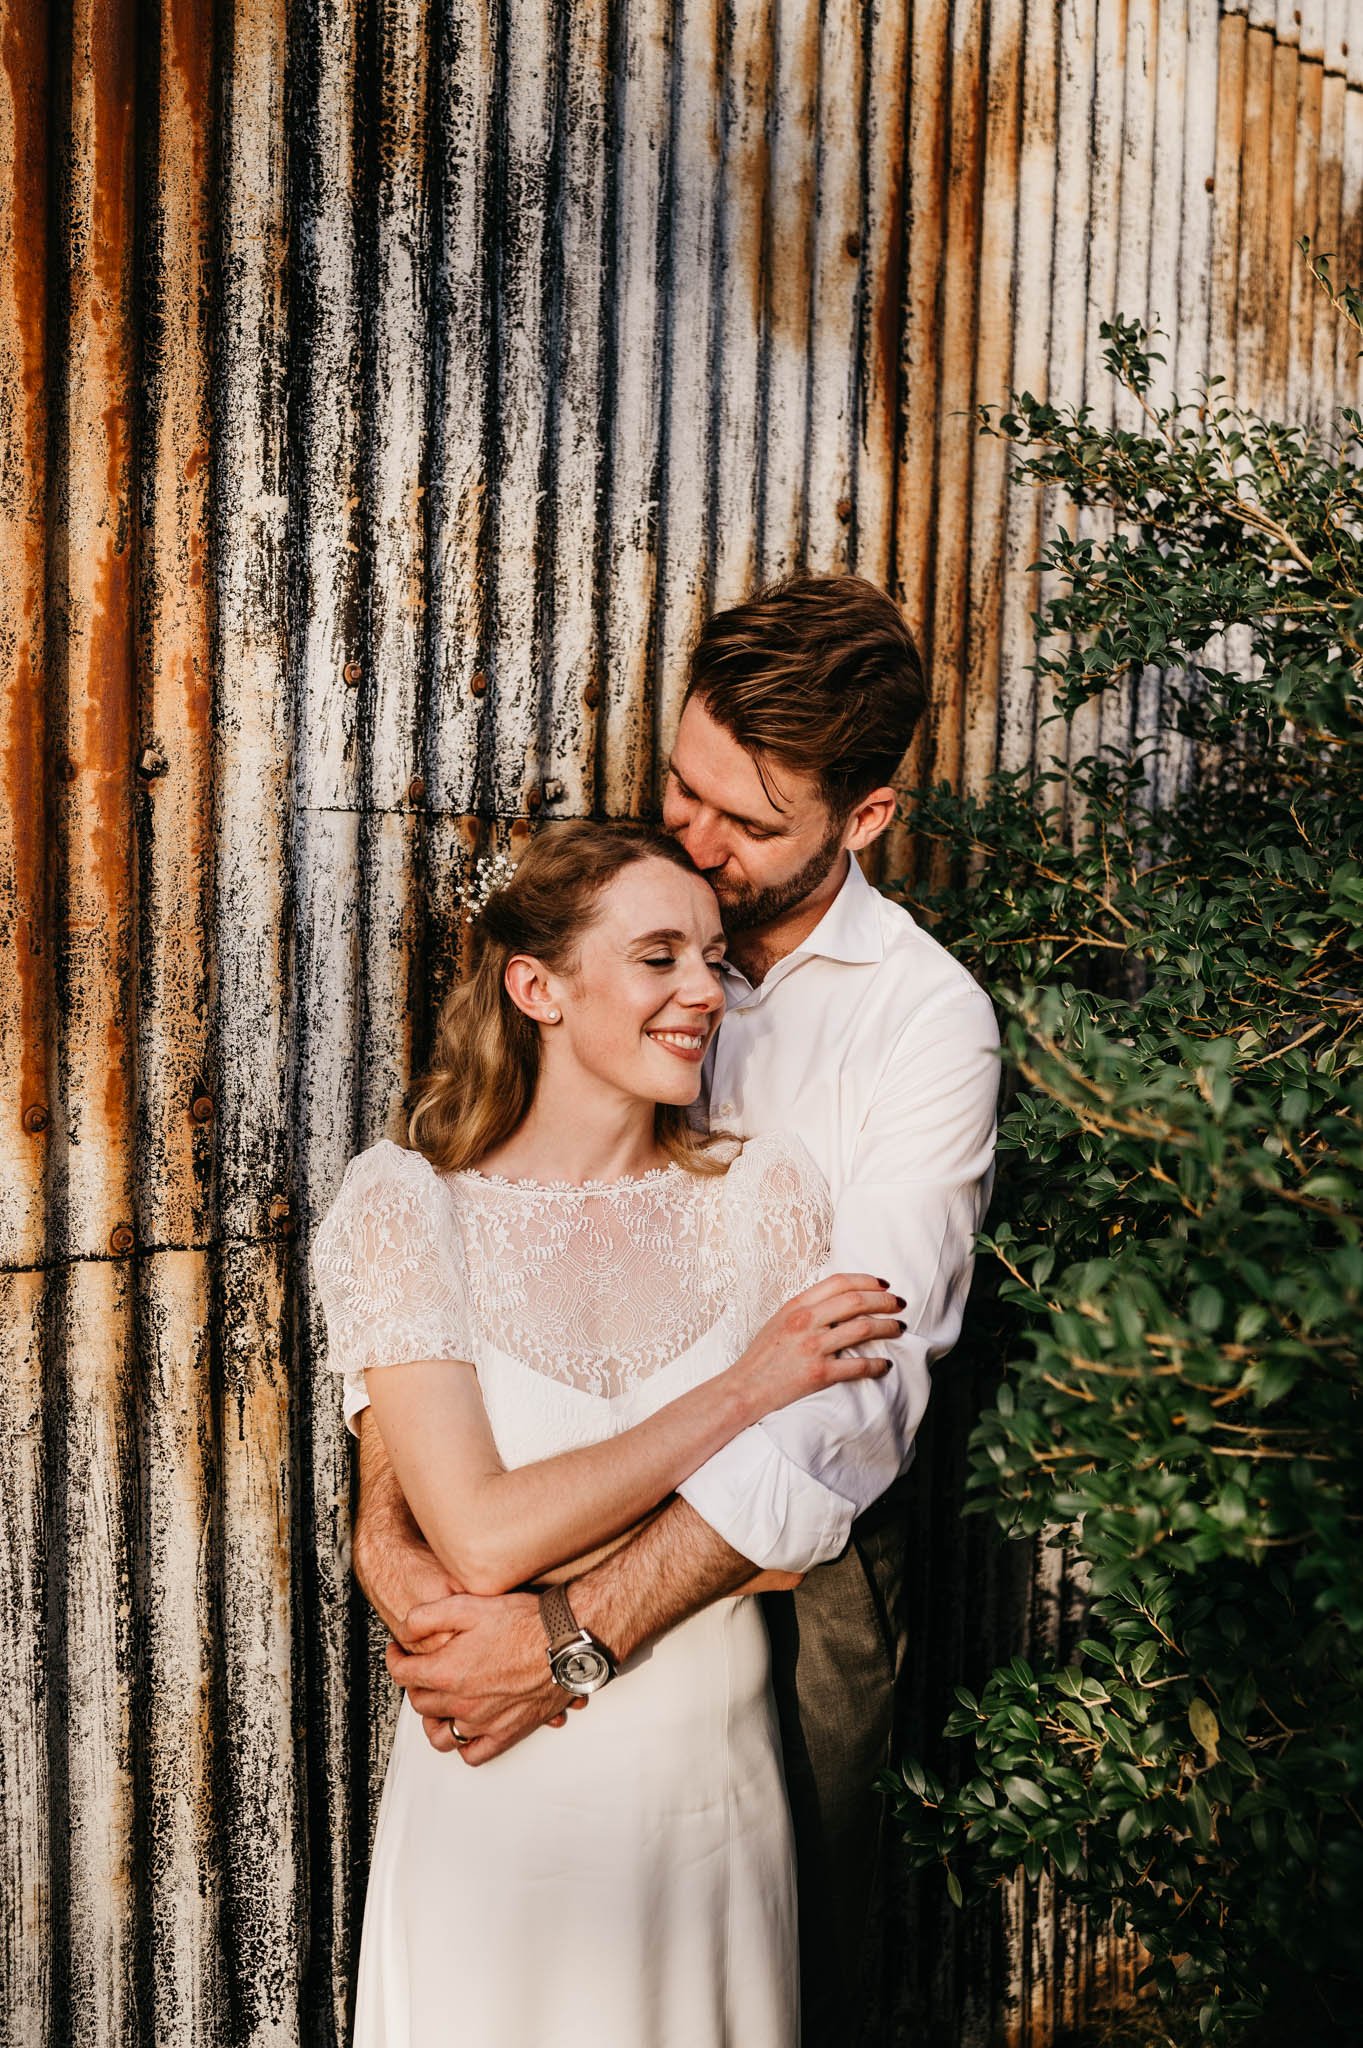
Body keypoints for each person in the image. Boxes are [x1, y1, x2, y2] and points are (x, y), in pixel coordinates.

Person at [350, 575, 1001, 2044]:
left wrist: (573, 1635)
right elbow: (452, 1201)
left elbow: (851, 1398)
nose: (695, 844)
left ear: (866, 819)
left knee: (773, 1959)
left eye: (749, 826)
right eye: (682, 787)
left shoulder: (921, 1026)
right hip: (506, 1518)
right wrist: (395, 1534)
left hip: (784, 1554)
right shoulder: (608, 910)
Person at [312, 822, 902, 2045]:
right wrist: (740, 1393)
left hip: (708, 1804)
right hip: (495, 1802)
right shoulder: (405, 1209)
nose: (705, 988)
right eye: (656, 957)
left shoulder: (763, 1193)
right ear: (537, 987)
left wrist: (546, 1539)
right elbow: (474, 1538)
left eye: (711, 954)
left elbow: (792, 1536)